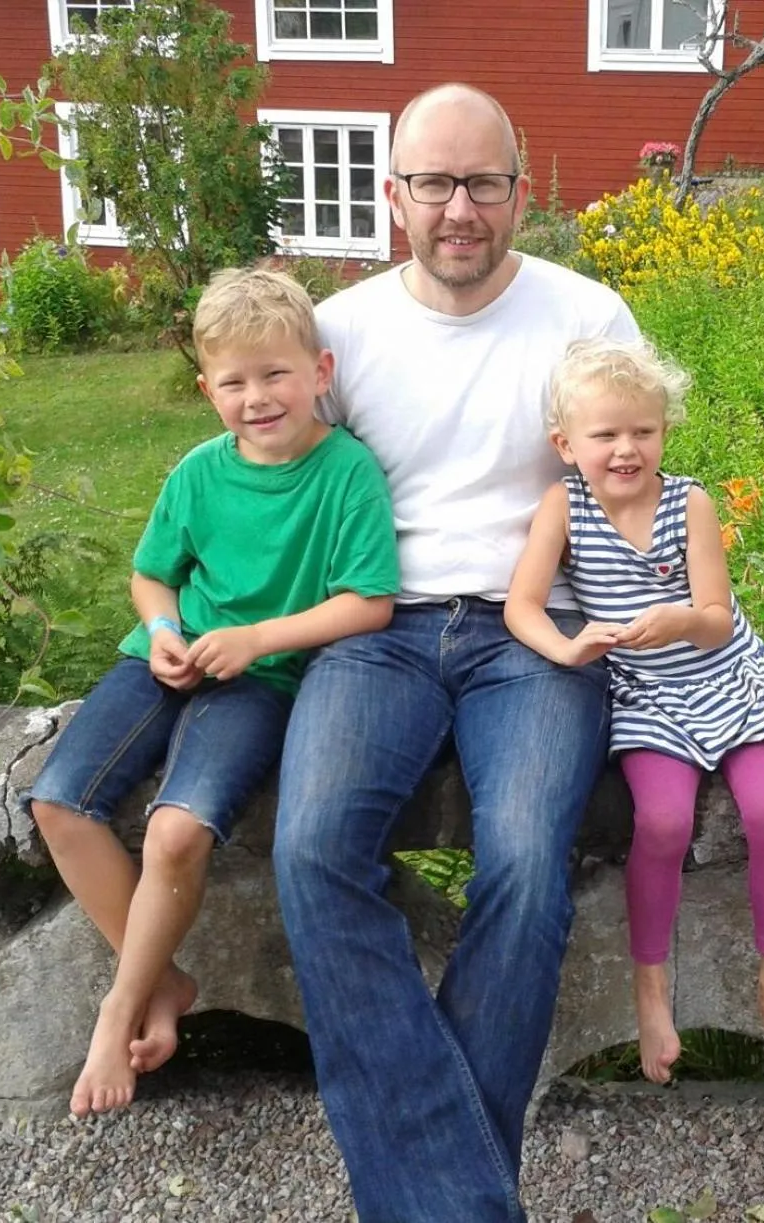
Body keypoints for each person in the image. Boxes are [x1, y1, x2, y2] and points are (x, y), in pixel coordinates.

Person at [270, 83, 639, 1223]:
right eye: (432, 182)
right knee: (312, 850)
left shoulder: (590, 317)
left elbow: (635, 490)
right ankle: (464, 1199)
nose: (459, 208)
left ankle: (431, 1194)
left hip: (535, 632)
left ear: (522, 192)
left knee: (527, 863)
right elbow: (279, 489)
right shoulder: (342, 334)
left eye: (483, 181)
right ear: (392, 197)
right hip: (376, 629)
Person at [25, 267, 399, 1119]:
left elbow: (369, 602)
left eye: (276, 374)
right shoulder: (199, 471)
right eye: (234, 381)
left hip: (260, 679)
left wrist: (258, 638)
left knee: (177, 826)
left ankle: (121, 1004)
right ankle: (164, 981)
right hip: (167, 659)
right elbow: (152, 576)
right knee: (58, 802)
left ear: (321, 372)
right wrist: (163, 634)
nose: (257, 397)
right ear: (207, 389)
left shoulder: (346, 474)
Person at [505, 336, 764, 1091]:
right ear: (565, 443)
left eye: (642, 432)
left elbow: (715, 617)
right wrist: (568, 646)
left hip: (723, 673)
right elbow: (521, 603)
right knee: (663, 823)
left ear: (664, 433)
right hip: (645, 694)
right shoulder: (564, 505)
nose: (625, 449)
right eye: (605, 434)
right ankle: (652, 989)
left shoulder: (690, 502)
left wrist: (680, 617)